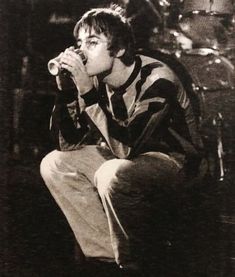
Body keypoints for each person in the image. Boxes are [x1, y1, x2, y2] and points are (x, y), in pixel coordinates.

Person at [40, 4, 207, 276]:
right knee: (54, 163)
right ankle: (110, 259)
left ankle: (133, 264)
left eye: (92, 42)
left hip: (176, 164)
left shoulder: (157, 79)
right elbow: (67, 145)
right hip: (125, 157)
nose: (81, 50)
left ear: (118, 49)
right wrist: (67, 92)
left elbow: (126, 148)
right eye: (79, 42)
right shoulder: (95, 77)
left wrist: (86, 92)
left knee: (112, 173)